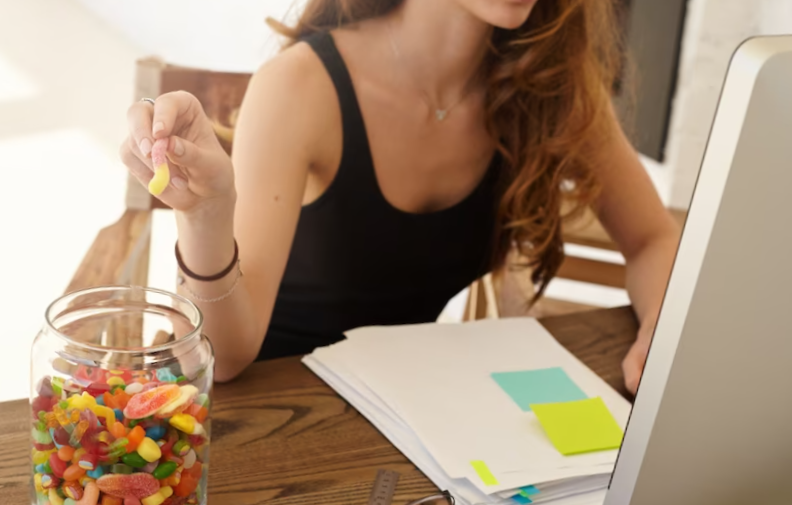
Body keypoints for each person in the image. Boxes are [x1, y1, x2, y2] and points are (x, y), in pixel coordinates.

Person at [120, 0, 680, 392]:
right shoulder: (299, 87)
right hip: (257, 414)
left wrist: (663, 328)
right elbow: (224, 362)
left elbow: (653, 237)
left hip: (402, 415)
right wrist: (207, 216)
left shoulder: (547, 84)